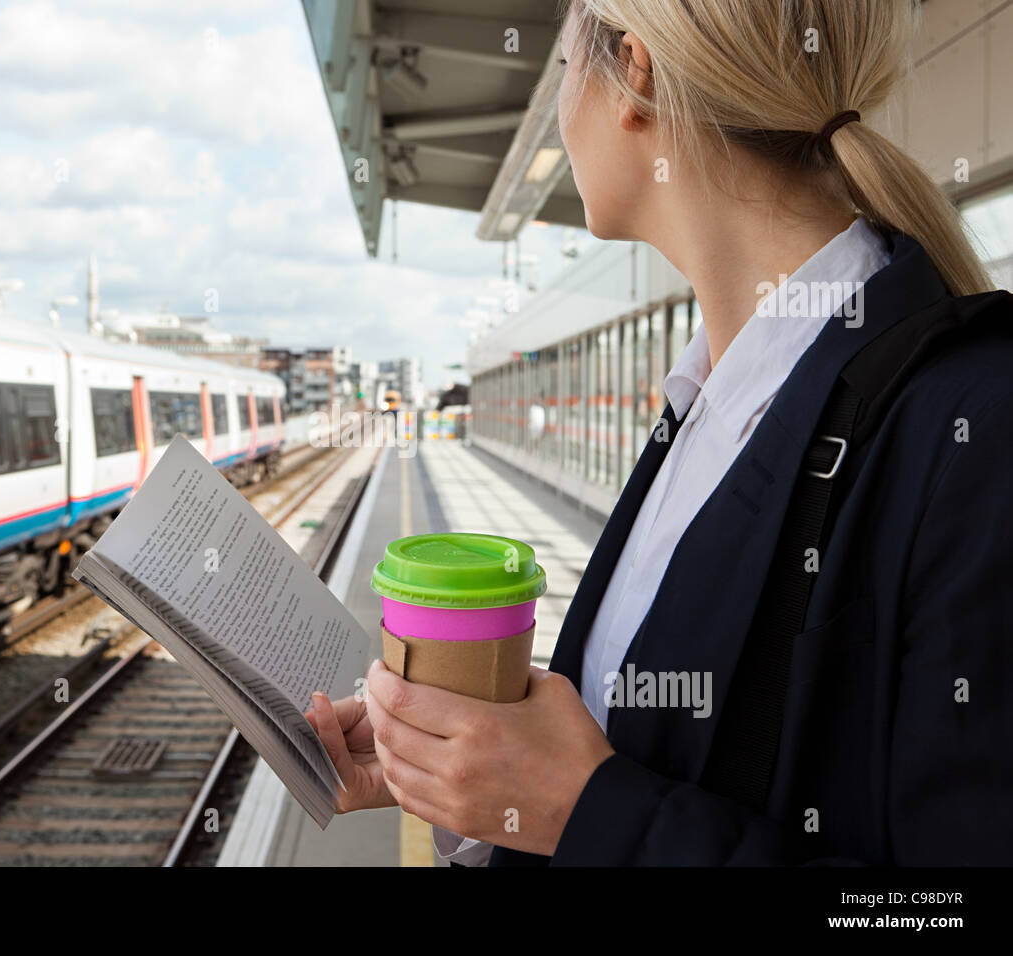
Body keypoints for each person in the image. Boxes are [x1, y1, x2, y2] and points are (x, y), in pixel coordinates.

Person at [306, 0, 1013, 865]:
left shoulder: (979, 425)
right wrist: (471, 776)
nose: (564, 118)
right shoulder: (702, 404)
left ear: (635, 74)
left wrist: (589, 812)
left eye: (567, 73)